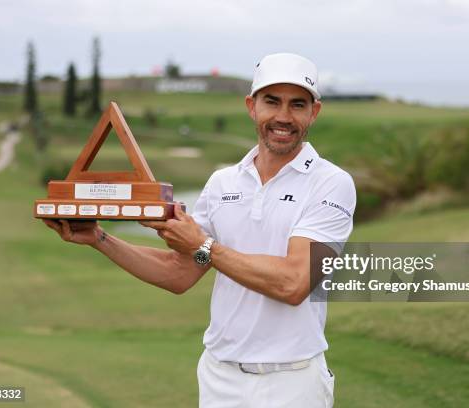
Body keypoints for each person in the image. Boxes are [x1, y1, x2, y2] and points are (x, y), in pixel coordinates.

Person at [44, 52, 356, 407]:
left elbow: (294, 283)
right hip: (219, 376)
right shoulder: (222, 182)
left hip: (292, 379)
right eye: (272, 102)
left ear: (313, 112)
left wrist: (204, 244)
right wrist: (99, 238)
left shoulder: (331, 183)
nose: (283, 117)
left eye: (297, 105)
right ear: (251, 106)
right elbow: (179, 273)